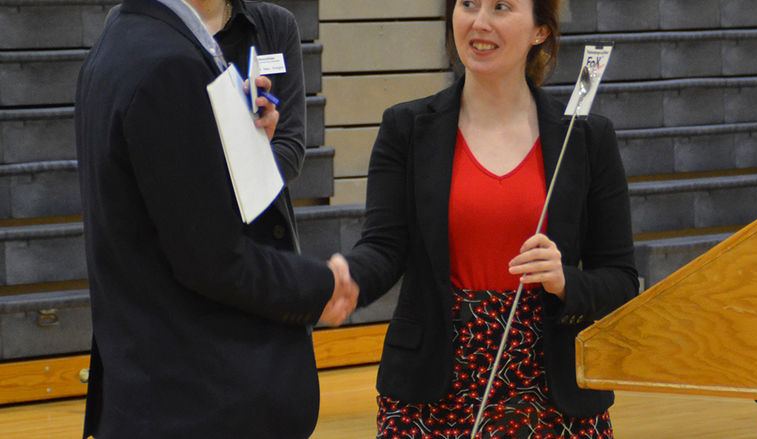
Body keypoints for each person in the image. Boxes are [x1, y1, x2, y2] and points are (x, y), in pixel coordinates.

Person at [343, 0, 638, 437]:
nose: (479, 22)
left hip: (551, 387)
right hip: (432, 385)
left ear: (540, 30)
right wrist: (344, 279)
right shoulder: (405, 127)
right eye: (468, 4)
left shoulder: (588, 137)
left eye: (501, 6)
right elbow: (383, 248)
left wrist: (564, 281)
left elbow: (621, 281)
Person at [75, 0, 357, 437]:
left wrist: (245, 139)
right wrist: (318, 285)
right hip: (195, 391)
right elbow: (210, 257)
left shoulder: (122, 37)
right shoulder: (168, 63)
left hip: (151, 379)